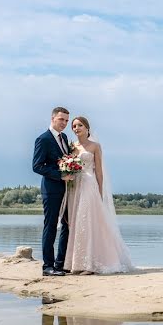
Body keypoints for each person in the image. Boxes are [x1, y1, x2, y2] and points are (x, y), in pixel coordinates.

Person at [64, 116, 134, 275]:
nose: (76, 128)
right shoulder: (72, 147)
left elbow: (100, 172)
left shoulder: (95, 146)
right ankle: (76, 263)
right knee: (76, 223)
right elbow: (68, 167)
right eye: (74, 126)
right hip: (75, 187)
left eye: (80, 125)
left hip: (89, 185)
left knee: (87, 222)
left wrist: (100, 192)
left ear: (87, 128)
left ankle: (89, 265)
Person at [32, 106, 73, 277]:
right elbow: (37, 166)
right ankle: (47, 266)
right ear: (52, 118)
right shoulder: (43, 139)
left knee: (67, 225)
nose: (63, 123)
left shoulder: (64, 137)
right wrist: (60, 175)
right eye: (61, 119)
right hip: (51, 189)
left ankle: (60, 263)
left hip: (68, 190)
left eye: (66, 120)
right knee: (50, 226)